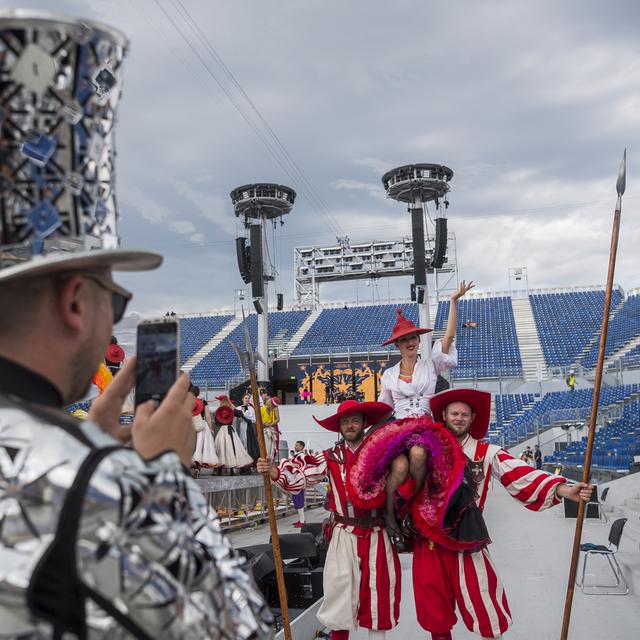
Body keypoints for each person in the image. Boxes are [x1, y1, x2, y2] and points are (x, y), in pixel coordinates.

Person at [0, 254, 271, 637]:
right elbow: (238, 629)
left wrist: (89, 447)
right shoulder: (92, 477)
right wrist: (169, 476)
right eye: (114, 304)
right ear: (75, 302)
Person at [410, 388, 593, 640]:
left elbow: (520, 474)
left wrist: (562, 488)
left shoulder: (488, 453)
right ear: (444, 414)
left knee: (487, 611)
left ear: (472, 418)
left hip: (467, 540)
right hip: (429, 543)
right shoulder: (424, 448)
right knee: (436, 617)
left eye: (465, 414)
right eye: (455, 413)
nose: (459, 418)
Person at [257, 400, 399, 640]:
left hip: (377, 532)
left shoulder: (380, 453)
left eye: (355, 420)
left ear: (364, 423)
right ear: (339, 427)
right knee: (339, 597)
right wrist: (274, 472)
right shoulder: (329, 457)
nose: (350, 425)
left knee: (378, 597)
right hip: (344, 533)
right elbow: (300, 477)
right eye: (345, 421)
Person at [379, 281, 474, 535]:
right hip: (398, 429)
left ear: (418, 341)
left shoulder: (431, 364)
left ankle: (414, 507)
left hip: (425, 427)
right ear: (397, 345)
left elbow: (449, 337)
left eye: (413, 337)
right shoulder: (388, 375)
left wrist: (453, 302)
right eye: (404, 339)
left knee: (420, 454)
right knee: (398, 468)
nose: (410, 342)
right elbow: (383, 406)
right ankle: (389, 514)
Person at [214, 395, 254, 472]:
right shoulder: (231, 409)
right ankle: (232, 470)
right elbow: (240, 414)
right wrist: (232, 406)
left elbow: (217, 422)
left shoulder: (219, 410)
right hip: (231, 430)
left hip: (222, 430)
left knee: (222, 448)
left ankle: (219, 470)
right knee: (233, 448)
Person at [191, 384, 220, 473]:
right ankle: (197, 468)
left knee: (192, 447)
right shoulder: (203, 402)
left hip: (190, 425)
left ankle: (191, 468)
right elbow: (208, 416)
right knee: (201, 447)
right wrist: (210, 428)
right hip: (202, 425)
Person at [290, 440, 307, 528]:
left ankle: (302, 521)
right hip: (296, 480)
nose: (295, 446)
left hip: (298, 480)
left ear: (301, 447)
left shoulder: (302, 456)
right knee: (297, 500)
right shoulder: (298, 456)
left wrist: (291, 465)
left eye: (297, 445)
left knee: (298, 499)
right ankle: (302, 519)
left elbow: (302, 466)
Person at [260, 395, 280, 460]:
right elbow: (258, 421)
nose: (274, 408)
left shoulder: (273, 409)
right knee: (266, 446)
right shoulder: (261, 409)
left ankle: (272, 460)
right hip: (264, 429)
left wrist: (270, 425)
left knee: (273, 446)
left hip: (272, 428)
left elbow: (277, 419)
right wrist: (265, 425)